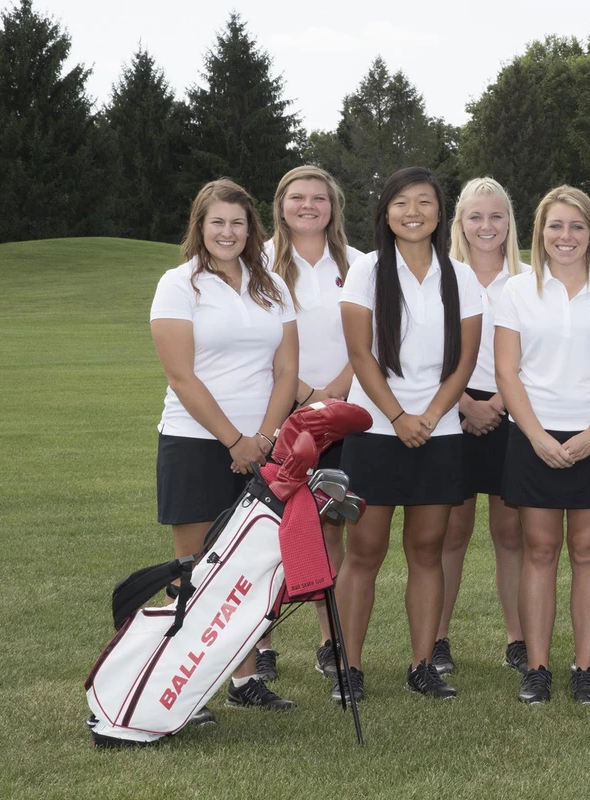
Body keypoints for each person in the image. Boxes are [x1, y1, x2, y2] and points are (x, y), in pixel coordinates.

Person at [332, 167, 483, 702]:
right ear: (385, 213)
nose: (412, 211)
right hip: (375, 430)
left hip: (439, 433)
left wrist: (431, 414)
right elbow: (359, 354)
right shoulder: (366, 271)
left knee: (427, 548)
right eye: (401, 202)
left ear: (440, 213)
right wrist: (397, 417)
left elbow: (465, 359)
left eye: (424, 202)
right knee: (364, 550)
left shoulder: (460, 276)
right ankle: (350, 668)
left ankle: (423, 665)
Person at [150, 178, 298, 717]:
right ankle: (182, 686)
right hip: (195, 442)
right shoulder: (178, 283)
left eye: (238, 222)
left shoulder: (272, 287)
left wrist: (260, 438)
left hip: (261, 444)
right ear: (200, 226)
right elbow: (181, 376)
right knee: (192, 568)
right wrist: (234, 440)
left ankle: (243, 678)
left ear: (251, 228)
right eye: (217, 222)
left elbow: (286, 368)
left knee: (249, 567)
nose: (228, 232)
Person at [494, 185, 590, 705]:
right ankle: (536, 669)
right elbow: (507, 372)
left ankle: (585, 668)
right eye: (556, 226)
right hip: (533, 434)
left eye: (577, 226)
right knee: (539, 550)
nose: (566, 236)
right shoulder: (516, 290)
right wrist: (535, 435)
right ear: (540, 231)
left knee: (588, 550)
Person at [257, 165, 363, 683]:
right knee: (269, 526)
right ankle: (261, 641)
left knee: (330, 522)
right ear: (280, 205)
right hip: (280, 412)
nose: (308, 206)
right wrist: (304, 396)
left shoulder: (361, 264)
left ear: (333, 207)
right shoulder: (257, 264)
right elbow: (263, 342)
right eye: (297, 197)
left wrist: (336, 392)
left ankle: (329, 639)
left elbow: (371, 343)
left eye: (319, 198)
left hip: (342, 414)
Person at [433, 178, 528, 676]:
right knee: (450, 532)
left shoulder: (531, 278)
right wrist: (468, 402)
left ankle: (517, 638)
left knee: (511, 533)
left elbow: (539, 356)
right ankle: (438, 636)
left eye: (496, 216)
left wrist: (499, 403)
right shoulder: (440, 276)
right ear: (459, 223)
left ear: (510, 222)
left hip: (515, 413)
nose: (486, 226)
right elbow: (427, 351)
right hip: (453, 412)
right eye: (475, 216)